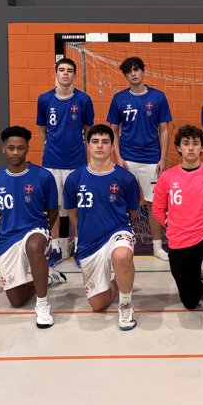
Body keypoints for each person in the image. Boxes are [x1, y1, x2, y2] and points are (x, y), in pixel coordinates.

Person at [152, 125, 203, 333]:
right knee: (190, 301)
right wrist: (172, 224)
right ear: (178, 148)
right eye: (186, 143)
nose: (191, 148)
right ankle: (201, 280)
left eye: (195, 144)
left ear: (202, 148)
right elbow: (158, 209)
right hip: (180, 239)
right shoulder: (167, 177)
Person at [0, 126, 66, 329]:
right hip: (8, 237)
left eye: (20, 148)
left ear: (27, 149)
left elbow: (53, 210)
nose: (15, 152)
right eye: (11, 148)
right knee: (17, 300)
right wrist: (6, 228)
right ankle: (48, 277)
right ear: (3, 148)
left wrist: (45, 231)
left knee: (34, 246)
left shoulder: (43, 176)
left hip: (36, 228)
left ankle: (42, 304)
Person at [64, 125, 141, 330]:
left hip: (117, 231)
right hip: (90, 241)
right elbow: (72, 212)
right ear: (88, 146)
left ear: (112, 146)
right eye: (95, 141)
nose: (100, 146)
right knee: (98, 304)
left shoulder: (125, 178)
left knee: (122, 256)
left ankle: (126, 304)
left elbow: (133, 212)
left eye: (105, 142)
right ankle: (118, 281)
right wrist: (84, 231)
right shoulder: (74, 178)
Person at [107, 56, 172, 261]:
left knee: (154, 204)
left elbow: (164, 129)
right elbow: (113, 131)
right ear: (125, 75)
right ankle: (119, 243)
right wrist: (117, 157)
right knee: (120, 202)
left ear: (143, 71)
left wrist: (163, 158)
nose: (133, 74)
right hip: (127, 159)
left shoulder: (158, 97)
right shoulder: (119, 99)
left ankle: (157, 246)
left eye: (136, 69)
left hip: (152, 159)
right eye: (129, 71)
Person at [36, 57, 94, 262]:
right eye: (62, 70)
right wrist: (46, 149)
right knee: (53, 206)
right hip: (52, 162)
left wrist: (88, 156)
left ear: (74, 75)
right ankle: (57, 249)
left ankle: (79, 247)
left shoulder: (83, 100)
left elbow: (89, 131)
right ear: (56, 73)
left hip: (77, 162)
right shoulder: (44, 99)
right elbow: (42, 129)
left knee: (77, 207)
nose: (65, 73)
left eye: (69, 70)